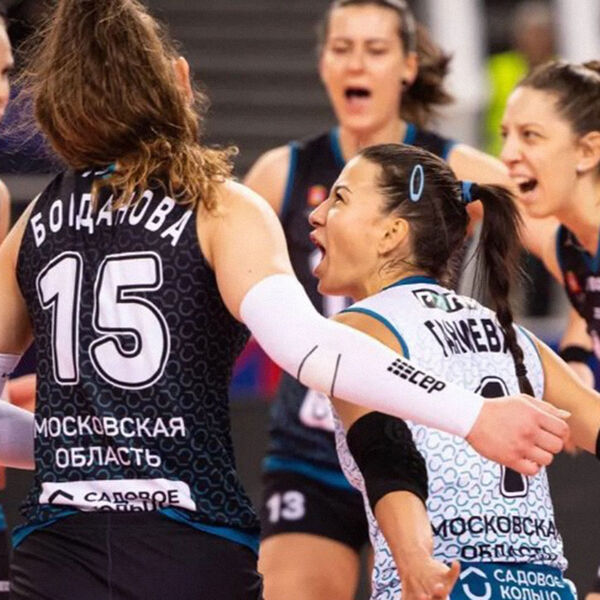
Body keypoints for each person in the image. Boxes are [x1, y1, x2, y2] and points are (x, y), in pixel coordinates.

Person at [0, 1, 568, 598]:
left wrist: (83, 439)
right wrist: (473, 413)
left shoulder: (35, 220)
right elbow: (308, 346)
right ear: (179, 81)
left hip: (55, 555)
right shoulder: (217, 202)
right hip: (189, 541)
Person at [244, 2, 521, 598]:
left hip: (430, 439)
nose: (356, 64)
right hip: (313, 446)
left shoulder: (453, 168)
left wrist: (579, 337)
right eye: (342, 48)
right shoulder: (283, 171)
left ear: (408, 66)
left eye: (375, 50)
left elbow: (562, 222)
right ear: (323, 63)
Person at [310, 142, 599, 599]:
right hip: (544, 589)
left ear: (392, 234)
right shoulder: (513, 336)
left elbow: (386, 454)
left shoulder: (361, 328)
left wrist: (415, 562)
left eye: (340, 198)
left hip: (445, 584)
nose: (317, 214)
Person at [499, 58, 600, 600]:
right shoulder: (571, 244)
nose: (509, 153)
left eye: (530, 136)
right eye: (505, 135)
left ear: (587, 151)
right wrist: (579, 363)